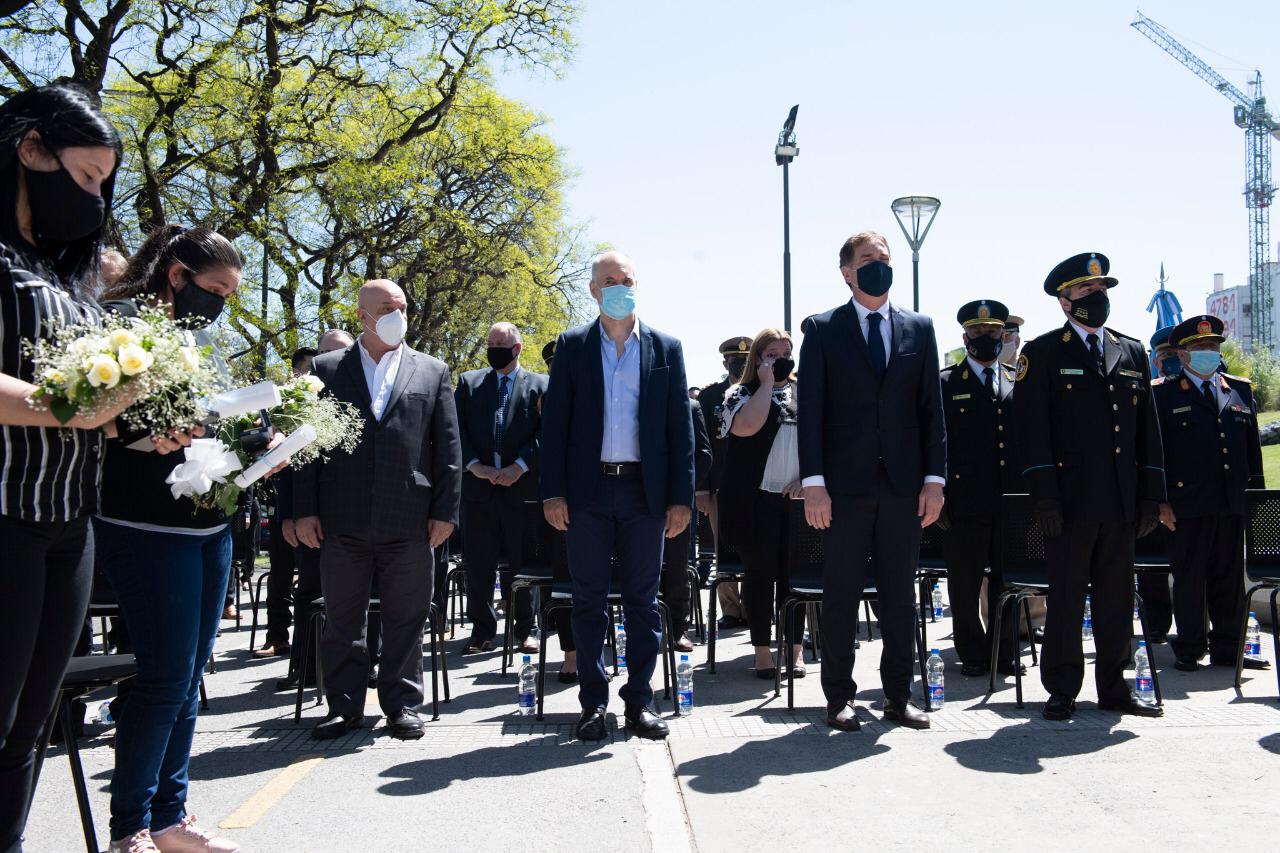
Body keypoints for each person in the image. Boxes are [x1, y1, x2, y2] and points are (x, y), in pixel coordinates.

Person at [0, 83, 134, 853]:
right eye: (85, 176)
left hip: (67, 519)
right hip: (6, 510)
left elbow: (93, 400)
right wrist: (68, 406)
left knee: (28, 722)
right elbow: (58, 397)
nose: (94, 198)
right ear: (31, 150)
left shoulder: (58, 272)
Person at [96, 224, 251, 853]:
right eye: (214, 289)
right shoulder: (118, 326)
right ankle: (129, 826)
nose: (219, 304)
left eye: (230, 296)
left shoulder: (206, 341)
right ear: (176, 275)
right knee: (162, 678)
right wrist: (149, 432)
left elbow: (221, 413)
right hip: (144, 525)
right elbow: (96, 416)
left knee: (189, 678)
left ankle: (170, 818)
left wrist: (258, 436)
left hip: (208, 525)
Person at [293, 279, 461, 741]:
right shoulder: (326, 370)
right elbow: (305, 447)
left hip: (410, 516)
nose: (397, 313)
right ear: (362, 315)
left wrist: (446, 511)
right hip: (341, 517)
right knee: (343, 618)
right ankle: (343, 707)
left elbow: (447, 447)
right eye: (387, 307)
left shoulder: (431, 370)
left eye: (403, 306)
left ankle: (402, 704)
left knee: (407, 615)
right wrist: (301, 510)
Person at [541, 250, 694, 742]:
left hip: (643, 494)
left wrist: (681, 498)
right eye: (609, 280)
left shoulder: (666, 348)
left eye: (626, 279)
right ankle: (592, 704)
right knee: (587, 601)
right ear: (592, 289)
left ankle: (640, 703)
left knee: (643, 603)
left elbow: (680, 432)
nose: (618, 287)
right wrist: (553, 493)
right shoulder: (571, 346)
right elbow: (555, 426)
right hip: (587, 493)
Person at [798, 231, 945, 732]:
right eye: (867, 260)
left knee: (900, 596)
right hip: (842, 489)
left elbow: (932, 412)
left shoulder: (919, 328)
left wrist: (934, 480)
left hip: (904, 486)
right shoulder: (822, 329)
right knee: (840, 594)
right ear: (846, 272)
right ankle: (839, 696)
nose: (877, 267)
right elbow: (811, 412)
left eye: (884, 259)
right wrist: (814, 483)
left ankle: (899, 696)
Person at [1014, 252, 1165, 721]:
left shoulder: (1131, 351)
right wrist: (1044, 496)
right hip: (1069, 502)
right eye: (1087, 291)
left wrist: (1150, 496)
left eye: (1102, 290)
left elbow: (1148, 433)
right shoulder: (1041, 354)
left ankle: (1115, 686)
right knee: (1065, 597)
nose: (1098, 298)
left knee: (1116, 598)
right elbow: (1031, 432)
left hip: (1121, 501)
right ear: (1065, 301)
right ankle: (1061, 687)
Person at [1153, 315, 1268, 673]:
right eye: (1199, 347)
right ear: (1182, 354)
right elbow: (1154, 454)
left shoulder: (1238, 390)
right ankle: (1189, 646)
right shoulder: (1163, 393)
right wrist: (1160, 500)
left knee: (1229, 578)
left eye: (1213, 346)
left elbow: (1252, 453)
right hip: (1185, 505)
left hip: (1231, 502)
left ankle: (1228, 648)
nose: (1208, 352)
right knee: (1189, 577)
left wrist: (1256, 501)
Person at [936, 300, 1022, 677]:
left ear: (1003, 335)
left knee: (1008, 580)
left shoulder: (1017, 378)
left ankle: (1004, 654)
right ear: (964, 336)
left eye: (991, 332)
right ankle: (972, 653)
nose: (985, 338)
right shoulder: (946, 382)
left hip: (1009, 500)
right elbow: (936, 444)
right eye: (977, 332)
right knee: (965, 583)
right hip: (962, 501)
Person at [718, 328, 805, 678]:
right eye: (773, 353)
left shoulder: (805, 393)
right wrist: (767, 384)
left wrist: (808, 480)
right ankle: (763, 651)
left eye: (786, 351)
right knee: (760, 576)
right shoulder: (740, 393)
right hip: (754, 502)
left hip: (797, 500)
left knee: (794, 578)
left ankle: (795, 649)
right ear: (758, 357)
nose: (781, 358)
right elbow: (746, 428)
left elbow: (822, 442)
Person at [454, 321, 545, 655]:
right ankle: (481, 630)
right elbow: (455, 428)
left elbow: (546, 434)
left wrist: (519, 466)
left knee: (522, 566)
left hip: (521, 490)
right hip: (479, 489)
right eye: (489, 342)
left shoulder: (540, 385)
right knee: (479, 564)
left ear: (517, 348)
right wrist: (474, 464)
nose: (492, 348)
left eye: (499, 343)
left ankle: (526, 629)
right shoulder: (469, 383)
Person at [275, 330, 354, 692]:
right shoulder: (300, 398)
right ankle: (306, 668)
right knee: (309, 591)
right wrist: (289, 514)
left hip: (355, 515)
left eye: (340, 354)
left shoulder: (368, 390)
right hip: (312, 515)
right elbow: (289, 462)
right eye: (324, 354)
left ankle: (361, 665)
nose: (329, 363)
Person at [252, 347, 319, 660]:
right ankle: (277, 636)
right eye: (307, 369)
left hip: (318, 503)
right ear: (295, 373)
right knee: (280, 573)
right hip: (283, 498)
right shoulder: (280, 406)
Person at [698, 336, 752, 628]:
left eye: (745, 360)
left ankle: (756, 608)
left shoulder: (762, 391)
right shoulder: (709, 398)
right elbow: (703, 447)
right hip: (720, 485)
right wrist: (702, 489)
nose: (740, 365)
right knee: (724, 548)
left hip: (757, 485)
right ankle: (731, 610)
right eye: (734, 361)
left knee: (757, 549)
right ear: (725, 363)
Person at [661, 399, 712, 653]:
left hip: (678, 502)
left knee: (678, 566)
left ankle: (678, 629)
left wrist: (683, 491)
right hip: (637, 498)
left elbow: (703, 455)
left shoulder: (690, 407)